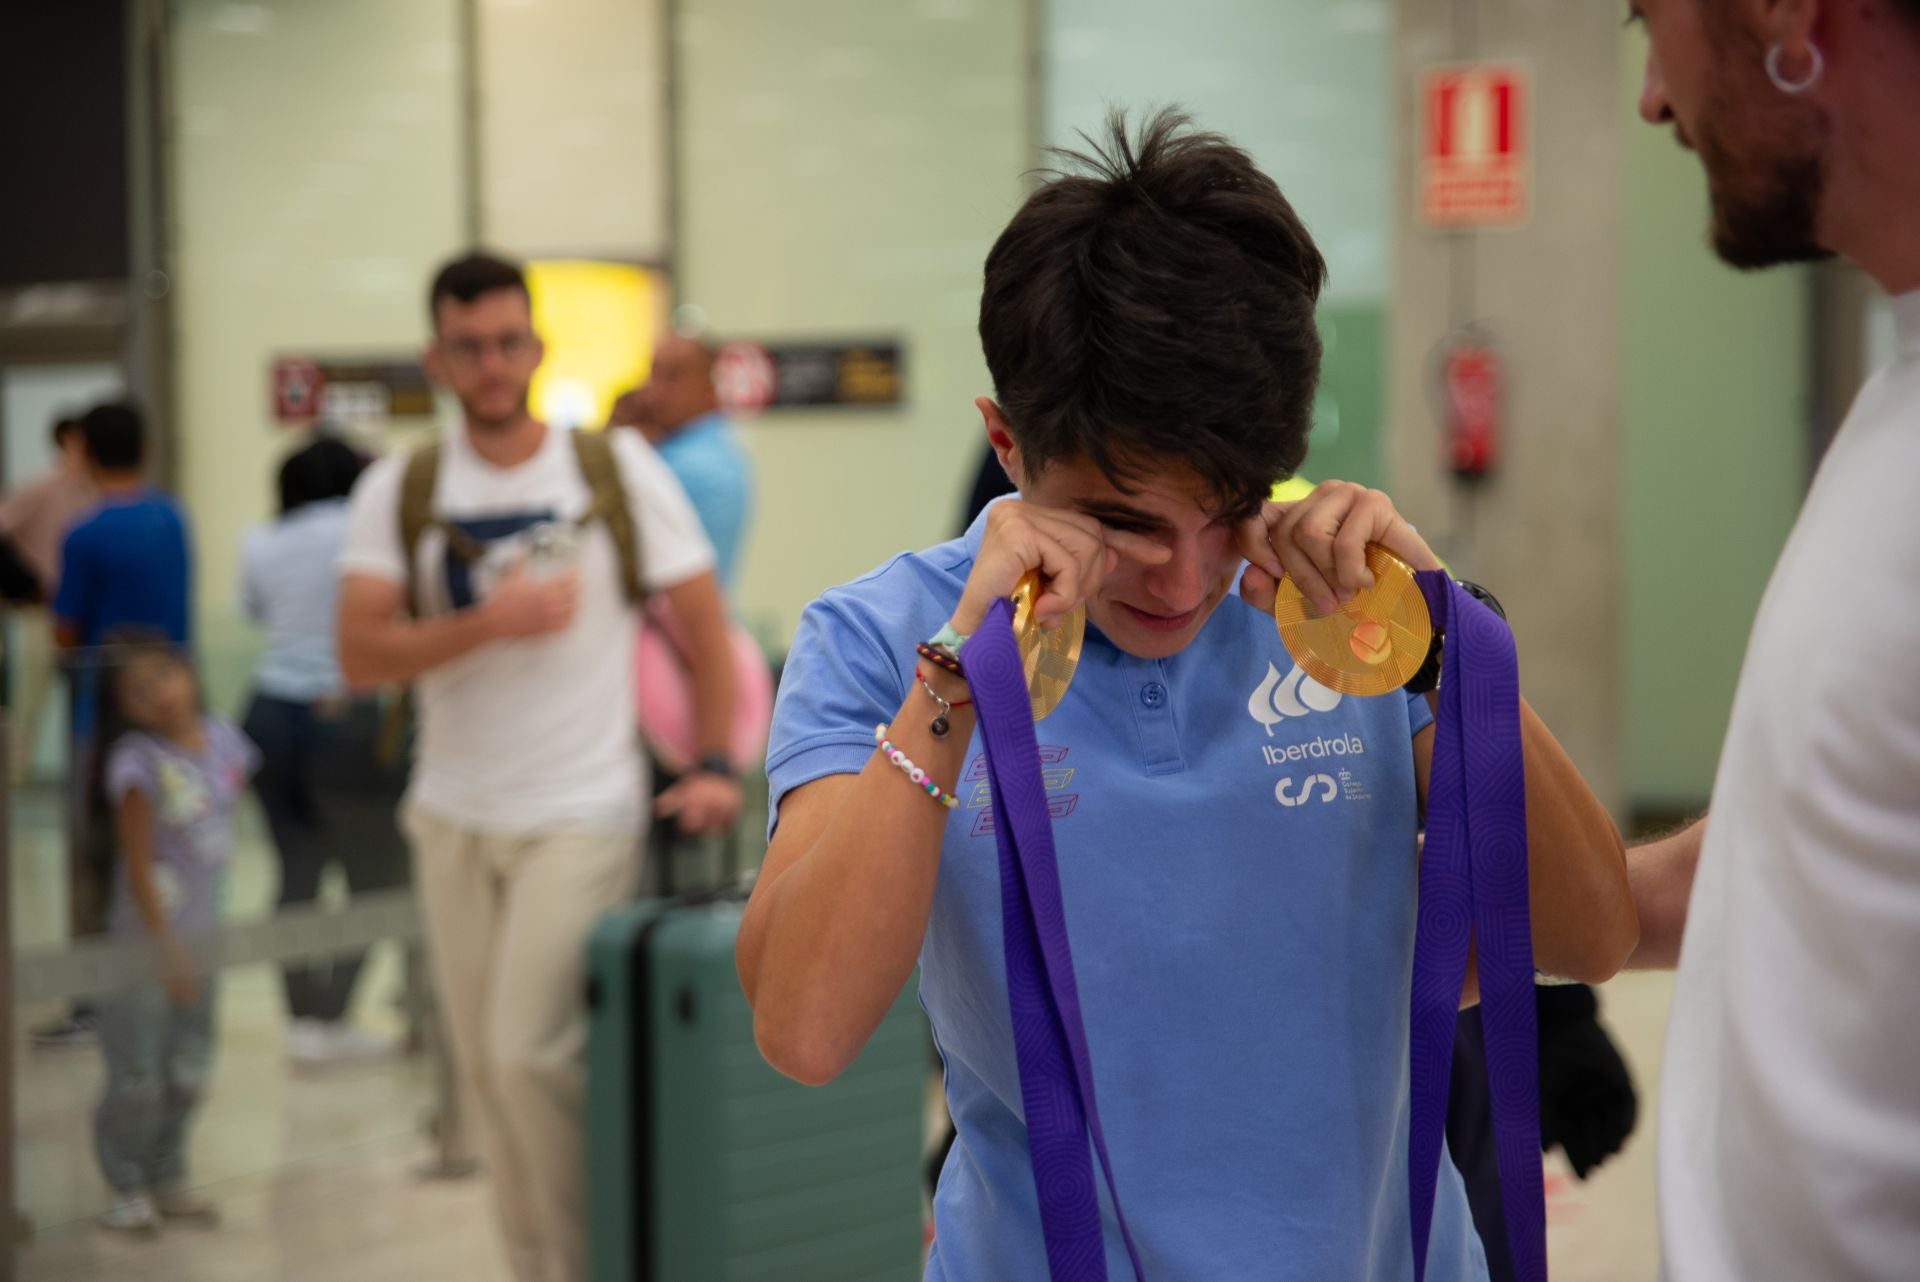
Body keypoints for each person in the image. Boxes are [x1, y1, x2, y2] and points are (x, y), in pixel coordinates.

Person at [739, 111, 1636, 1279]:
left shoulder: (1348, 608)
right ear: (1006, 446)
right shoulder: (881, 642)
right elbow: (804, 1027)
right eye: (1122, 523)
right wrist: (957, 683)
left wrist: (1442, 646)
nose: (1185, 576)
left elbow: (1591, 931)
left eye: (1228, 510)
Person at [336, 251, 742, 1282]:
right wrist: (488, 623)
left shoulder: (611, 468)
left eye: (508, 340)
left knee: (529, 1058)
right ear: (438, 356)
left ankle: (586, 1262)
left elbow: (703, 624)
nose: (490, 362)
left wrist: (711, 762)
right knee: (481, 1080)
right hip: (452, 811)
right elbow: (359, 649)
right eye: (467, 345)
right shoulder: (403, 485)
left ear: (536, 347)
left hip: (580, 807)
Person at [1622, 2, 1920, 1277]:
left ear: (1790, 15)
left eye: (1650, 21)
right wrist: (1541, 905)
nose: (1651, 97)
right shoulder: (1890, 411)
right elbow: (1838, 840)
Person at [240, 435, 406, 1067]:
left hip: (270, 711)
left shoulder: (259, 539)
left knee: (294, 873)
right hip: (346, 716)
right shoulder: (365, 529)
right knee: (371, 876)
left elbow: (252, 609)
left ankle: (299, 1020)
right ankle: (334, 1015)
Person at [33, 401, 194, 1051]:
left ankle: (93, 998)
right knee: (168, 851)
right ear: (148, 446)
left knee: (97, 858)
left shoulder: (84, 533)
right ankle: (165, 977)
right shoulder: (171, 518)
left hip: (104, 715)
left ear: (86, 456)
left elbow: (66, 628)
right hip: (174, 713)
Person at [91, 634, 258, 1235]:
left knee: (189, 1065)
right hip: (148, 945)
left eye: (164, 674)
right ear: (123, 706)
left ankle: (169, 1172)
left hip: (204, 939)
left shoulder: (224, 742)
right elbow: (137, 866)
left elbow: (221, 836)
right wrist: (164, 949)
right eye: (138, 689)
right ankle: (126, 1183)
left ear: (188, 671)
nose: (157, 693)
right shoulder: (136, 761)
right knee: (137, 1070)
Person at [0, 414, 97, 781]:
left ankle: (83, 776)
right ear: (64, 444)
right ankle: (12, 780)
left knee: (84, 697)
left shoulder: (96, 490)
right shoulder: (42, 488)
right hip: (44, 611)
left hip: (82, 614)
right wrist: (24, 584)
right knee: (30, 701)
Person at [635, 335, 754, 591]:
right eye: (653, 374)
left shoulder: (694, 467)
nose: (653, 391)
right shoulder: (687, 448)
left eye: (673, 376)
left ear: (709, 387)